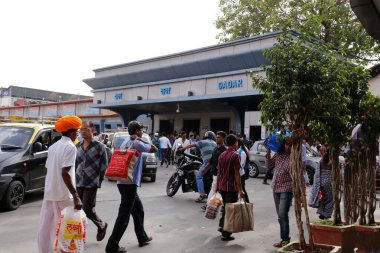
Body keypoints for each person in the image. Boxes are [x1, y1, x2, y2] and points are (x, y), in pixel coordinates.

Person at [105, 121, 158, 253]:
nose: (142, 132)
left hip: (123, 182)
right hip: (129, 184)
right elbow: (154, 149)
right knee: (124, 216)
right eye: (141, 130)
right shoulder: (138, 143)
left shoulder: (125, 142)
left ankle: (142, 237)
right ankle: (112, 246)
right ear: (137, 131)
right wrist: (140, 139)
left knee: (138, 210)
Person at [37, 115, 83, 253]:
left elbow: (46, 170)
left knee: (48, 227)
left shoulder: (53, 147)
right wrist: (76, 196)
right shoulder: (70, 147)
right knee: (69, 228)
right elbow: (65, 173)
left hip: (50, 193)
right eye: (76, 131)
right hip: (64, 195)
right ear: (70, 132)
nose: (77, 134)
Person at [75, 120, 108, 241]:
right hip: (78, 181)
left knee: (87, 208)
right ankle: (80, 234)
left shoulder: (99, 146)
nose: (83, 132)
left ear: (92, 130)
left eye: (86, 129)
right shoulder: (77, 145)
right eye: (81, 129)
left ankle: (101, 225)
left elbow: (104, 165)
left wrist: (99, 180)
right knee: (78, 209)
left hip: (91, 182)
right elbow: (75, 164)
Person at [216, 134, 244, 241]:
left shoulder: (222, 155)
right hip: (231, 188)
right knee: (230, 210)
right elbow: (237, 174)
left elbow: (219, 172)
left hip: (223, 186)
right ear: (235, 143)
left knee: (225, 208)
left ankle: (222, 226)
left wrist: (218, 185)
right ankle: (226, 233)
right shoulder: (236, 156)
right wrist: (240, 190)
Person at [266, 138, 293, 248]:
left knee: (282, 213)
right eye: (287, 144)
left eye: (291, 145)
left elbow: (298, 174)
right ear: (284, 144)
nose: (289, 147)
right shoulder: (278, 154)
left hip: (287, 187)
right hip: (275, 187)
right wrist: (268, 152)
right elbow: (269, 165)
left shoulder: (294, 158)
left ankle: (285, 239)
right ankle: (284, 238)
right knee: (280, 216)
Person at [181, 131, 217, 202]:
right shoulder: (214, 143)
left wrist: (183, 149)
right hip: (215, 163)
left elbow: (191, 146)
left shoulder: (202, 142)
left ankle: (202, 194)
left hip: (207, 162)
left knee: (198, 176)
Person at [201, 131, 227, 211]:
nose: (217, 138)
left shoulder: (224, 150)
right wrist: (205, 168)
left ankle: (208, 205)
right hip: (214, 172)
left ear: (223, 138)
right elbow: (212, 160)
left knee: (214, 189)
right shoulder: (216, 148)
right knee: (218, 189)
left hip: (221, 174)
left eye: (218, 137)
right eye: (216, 137)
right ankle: (223, 206)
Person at [310, 151, 333, 220]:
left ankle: (321, 212)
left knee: (322, 198)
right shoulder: (331, 162)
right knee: (330, 200)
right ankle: (326, 214)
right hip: (328, 183)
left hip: (320, 183)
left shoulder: (321, 161)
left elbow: (317, 173)